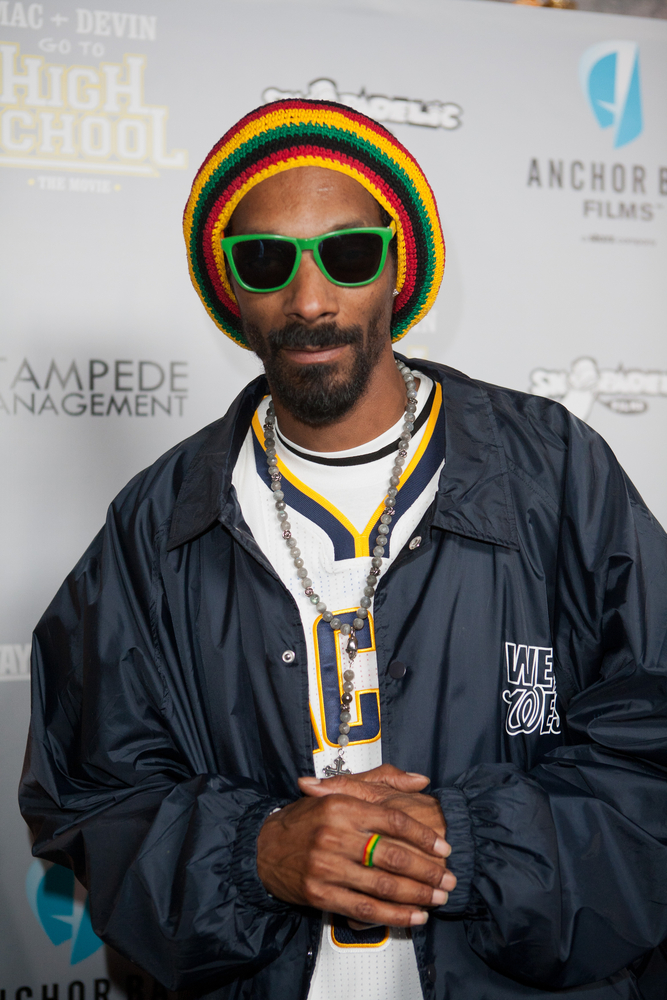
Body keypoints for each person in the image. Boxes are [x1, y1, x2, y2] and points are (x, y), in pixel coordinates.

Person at [19, 100, 667, 1000]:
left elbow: (651, 748)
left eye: (349, 254)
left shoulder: (554, 473)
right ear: (229, 286)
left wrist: (462, 839)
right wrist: (254, 853)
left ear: (398, 269)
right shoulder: (156, 521)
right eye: (266, 261)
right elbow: (91, 795)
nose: (310, 300)